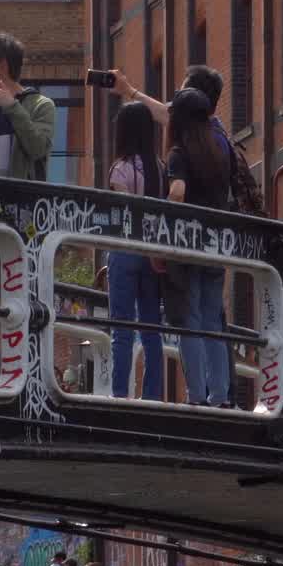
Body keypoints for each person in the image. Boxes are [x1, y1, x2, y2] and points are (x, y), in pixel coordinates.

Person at [165, 86, 236, 406]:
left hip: (187, 244)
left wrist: (165, 216)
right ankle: (220, 394)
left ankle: (196, 395)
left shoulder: (179, 153)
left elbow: (178, 191)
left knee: (189, 320)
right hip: (217, 245)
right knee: (213, 320)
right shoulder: (220, 150)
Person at [106, 102, 167, 401]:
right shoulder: (161, 167)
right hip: (154, 252)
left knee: (121, 328)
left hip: (125, 249)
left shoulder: (122, 168)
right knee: (151, 329)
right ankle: (152, 396)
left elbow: (121, 210)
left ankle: (119, 394)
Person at [0, 31, 57, 180]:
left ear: (2, 67)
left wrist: (11, 106)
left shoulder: (41, 106)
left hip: (26, 202)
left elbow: (38, 149)